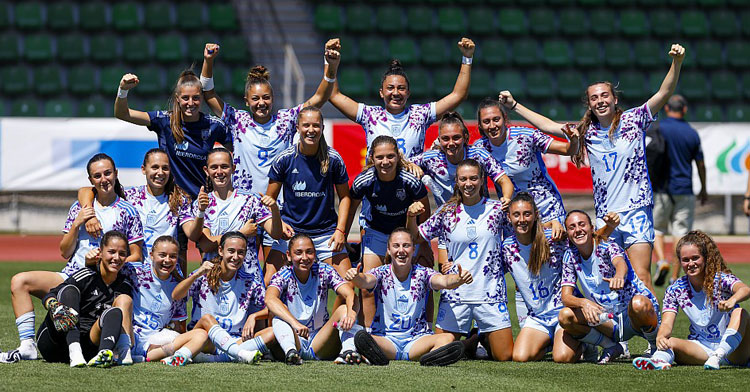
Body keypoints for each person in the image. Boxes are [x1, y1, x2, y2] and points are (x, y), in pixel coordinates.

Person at [498, 44, 687, 295]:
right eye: (594, 98)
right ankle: (619, 331)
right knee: (608, 276)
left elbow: (664, 93)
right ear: (589, 103)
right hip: (606, 215)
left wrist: (677, 62)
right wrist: (515, 106)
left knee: (641, 275)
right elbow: (548, 125)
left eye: (604, 95)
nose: (600, 101)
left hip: (636, 210)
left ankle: (652, 332)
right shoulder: (585, 132)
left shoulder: (634, 120)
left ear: (614, 98)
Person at [200, 39, 341, 267]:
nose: (261, 102)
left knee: (274, 272)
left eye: (266, 97)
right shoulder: (238, 120)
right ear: (247, 101)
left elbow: (319, 98)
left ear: (273, 99)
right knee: (238, 268)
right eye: (255, 98)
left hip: (276, 210)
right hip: (242, 206)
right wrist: (208, 61)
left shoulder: (286, 120)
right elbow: (208, 94)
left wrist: (330, 66)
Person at [5, 154, 143, 361]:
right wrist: (77, 223)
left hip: (104, 283)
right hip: (73, 276)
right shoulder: (79, 207)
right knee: (19, 281)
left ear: (116, 174)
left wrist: (107, 262)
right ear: (91, 181)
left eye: (107, 173)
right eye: (97, 175)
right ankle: (27, 346)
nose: (104, 179)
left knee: (120, 303)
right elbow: (65, 252)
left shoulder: (128, 211)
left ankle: (119, 350)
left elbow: (137, 255)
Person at [407, 159, 513, 361]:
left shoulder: (497, 210)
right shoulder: (447, 212)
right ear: (456, 181)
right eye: (463, 179)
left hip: (489, 293)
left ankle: (481, 337)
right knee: (439, 352)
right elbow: (416, 237)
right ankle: (470, 342)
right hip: (456, 294)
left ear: (482, 180)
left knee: (505, 356)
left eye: (473, 178)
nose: (468, 183)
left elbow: (516, 240)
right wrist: (410, 217)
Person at [330, 38, 476, 159]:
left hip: (412, 190)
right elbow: (333, 95)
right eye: (390, 88)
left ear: (408, 93)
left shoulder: (420, 114)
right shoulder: (370, 115)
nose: (395, 93)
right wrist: (330, 63)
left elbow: (459, 95)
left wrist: (467, 57)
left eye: (401, 88)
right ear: (381, 92)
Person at [344, 228, 471, 366]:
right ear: (388, 250)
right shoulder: (381, 272)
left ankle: (426, 359)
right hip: (386, 340)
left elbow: (444, 281)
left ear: (413, 249)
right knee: (361, 337)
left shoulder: (423, 273)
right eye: (396, 246)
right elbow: (366, 281)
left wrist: (458, 279)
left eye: (406, 245)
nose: (401, 250)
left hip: (417, 341)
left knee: (447, 338)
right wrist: (355, 277)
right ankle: (385, 355)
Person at [346, 135, 431, 328]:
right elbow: (351, 208)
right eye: (380, 157)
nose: (385, 162)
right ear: (372, 159)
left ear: (398, 158)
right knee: (367, 286)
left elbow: (425, 210)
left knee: (420, 284)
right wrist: (341, 236)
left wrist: (424, 243)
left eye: (391, 156)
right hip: (375, 233)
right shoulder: (364, 181)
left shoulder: (410, 181)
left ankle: (425, 328)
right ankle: (368, 335)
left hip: (404, 236)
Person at [633, 231, 750, 370]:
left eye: (695, 258)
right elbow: (666, 323)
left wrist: (732, 300)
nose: (691, 263)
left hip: (734, 351)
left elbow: (745, 289)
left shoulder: (721, 279)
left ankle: (718, 356)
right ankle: (658, 360)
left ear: (706, 258)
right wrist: (661, 337)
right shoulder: (675, 289)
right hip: (701, 349)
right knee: (669, 342)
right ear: (680, 261)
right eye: (685, 260)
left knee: (740, 312)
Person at [77, 148, 202, 276]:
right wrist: (90, 216)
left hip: (167, 271)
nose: (160, 173)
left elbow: (192, 234)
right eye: (155, 167)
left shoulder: (179, 199)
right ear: (143, 169)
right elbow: (85, 191)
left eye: (165, 168)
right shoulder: (130, 196)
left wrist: (201, 212)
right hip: (138, 273)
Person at [557, 210, 660, 364]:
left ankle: (655, 347)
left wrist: (619, 276)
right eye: (572, 227)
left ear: (592, 228)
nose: (577, 230)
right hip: (606, 319)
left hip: (631, 314)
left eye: (581, 224)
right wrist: (584, 303)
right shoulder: (569, 256)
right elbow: (566, 297)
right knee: (565, 316)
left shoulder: (607, 245)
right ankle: (610, 346)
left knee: (639, 303)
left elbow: (620, 263)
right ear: (568, 233)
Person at [265, 107, 353, 288]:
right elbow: (269, 199)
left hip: (325, 234)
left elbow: (345, 197)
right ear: (297, 127)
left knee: (348, 285)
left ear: (322, 127)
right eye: (306, 125)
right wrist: (280, 223)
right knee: (269, 283)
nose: (311, 130)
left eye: (316, 125)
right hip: (291, 232)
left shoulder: (333, 158)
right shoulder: (285, 159)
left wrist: (341, 231)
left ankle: (334, 318)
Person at [114, 70, 231, 201]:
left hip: (201, 201)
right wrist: (123, 90)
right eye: (185, 98)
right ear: (177, 98)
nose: (191, 103)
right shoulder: (164, 120)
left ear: (202, 98)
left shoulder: (214, 125)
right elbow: (122, 114)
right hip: (170, 202)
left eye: (196, 98)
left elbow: (236, 153)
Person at [473, 98, 579, 240]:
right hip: (514, 216)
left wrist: (573, 141)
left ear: (504, 118)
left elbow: (567, 150)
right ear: (480, 125)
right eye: (486, 121)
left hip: (547, 210)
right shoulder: (479, 149)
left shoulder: (526, 136)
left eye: (496, 119)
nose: (492, 125)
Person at [32, 231, 135, 368]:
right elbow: (53, 293)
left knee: (115, 312)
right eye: (111, 252)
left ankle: (107, 353)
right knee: (69, 290)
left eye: (122, 253)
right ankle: (74, 350)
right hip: (54, 343)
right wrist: (54, 305)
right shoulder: (87, 275)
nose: (116, 258)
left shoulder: (124, 285)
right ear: (100, 252)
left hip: (89, 348)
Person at [173, 232, 272, 364]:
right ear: (221, 251)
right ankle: (239, 353)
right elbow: (176, 295)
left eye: (241, 252)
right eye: (231, 251)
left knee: (271, 332)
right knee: (207, 319)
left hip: (236, 339)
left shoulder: (251, 281)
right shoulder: (204, 275)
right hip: (205, 338)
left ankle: (219, 357)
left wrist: (254, 316)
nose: (235, 257)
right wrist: (196, 274)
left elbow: (269, 308)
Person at [265, 233, 359, 365]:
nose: (304, 258)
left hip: (320, 340)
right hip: (294, 336)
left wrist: (350, 315)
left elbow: (350, 294)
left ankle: (348, 352)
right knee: (278, 318)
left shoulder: (324, 270)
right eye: (298, 253)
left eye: (309, 252)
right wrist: (295, 324)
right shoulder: (283, 274)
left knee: (345, 309)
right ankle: (291, 352)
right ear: (288, 255)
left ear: (315, 254)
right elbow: (269, 299)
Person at [195, 147, 282, 285]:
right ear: (206, 171)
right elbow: (205, 244)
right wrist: (241, 233)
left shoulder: (251, 200)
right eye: (214, 167)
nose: (219, 172)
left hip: (248, 279)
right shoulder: (202, 203)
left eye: (224, 166)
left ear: (233, 168)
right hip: (214, 280)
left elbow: (276, 233)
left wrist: (275, 210)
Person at [501, 193, 569, 362]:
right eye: (516, 215)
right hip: (538, 318)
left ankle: (582, 341)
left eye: (527, 214)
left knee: (562, 357)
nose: (522, 219)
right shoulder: (507, 247)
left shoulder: (553, 238)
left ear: (536, 215)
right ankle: (549, 342)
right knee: (520, 357)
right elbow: (490, 273)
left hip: (563, 314)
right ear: (509, 218)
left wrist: (559, 225)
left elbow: (583, 246)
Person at [123, 236, 209, 366]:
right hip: (130, 336)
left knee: (201, 335)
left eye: (172, 256)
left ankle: (177, 357)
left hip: (155, 341)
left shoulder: (177, 286)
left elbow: (177, 324)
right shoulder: (134, 271)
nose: (167, 260)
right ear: (151, 255)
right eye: (162, 255)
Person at [650, 95, 708, 286]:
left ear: (667, 109)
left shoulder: (659, 128)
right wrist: (704, 188)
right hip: (684, 189)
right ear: (684, 110)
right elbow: (700, 164)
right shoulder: (692, 133)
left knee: (657, 228)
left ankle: (661, 262)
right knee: (681, 234)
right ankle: (675, 277)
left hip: (661, 188)